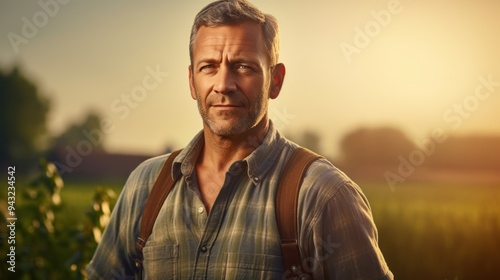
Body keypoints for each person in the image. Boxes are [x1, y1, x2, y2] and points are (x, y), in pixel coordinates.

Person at [86, 0, 393, 279]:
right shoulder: (146, 185)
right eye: (209, 67)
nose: (224, 84)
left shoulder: (323, 195)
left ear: (275, 80)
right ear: (192, 82)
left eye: (243, 67)